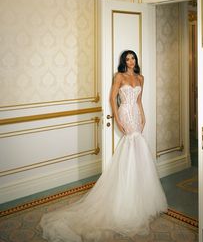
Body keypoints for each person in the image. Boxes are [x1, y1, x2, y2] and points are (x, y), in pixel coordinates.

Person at [40, 50, 168, 242]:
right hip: (125, 112)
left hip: (136, 113)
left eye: (133, 58)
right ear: (124, 62)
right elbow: (112, 99)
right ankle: (126, 195)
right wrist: (118, 120)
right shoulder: (120, 76)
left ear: (136, 60)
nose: (131, 61)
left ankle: (139, 195)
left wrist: (144, 116)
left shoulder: (141, 77)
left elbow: (139, 101)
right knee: (132, 145)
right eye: (127, 59)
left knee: (138, 146)